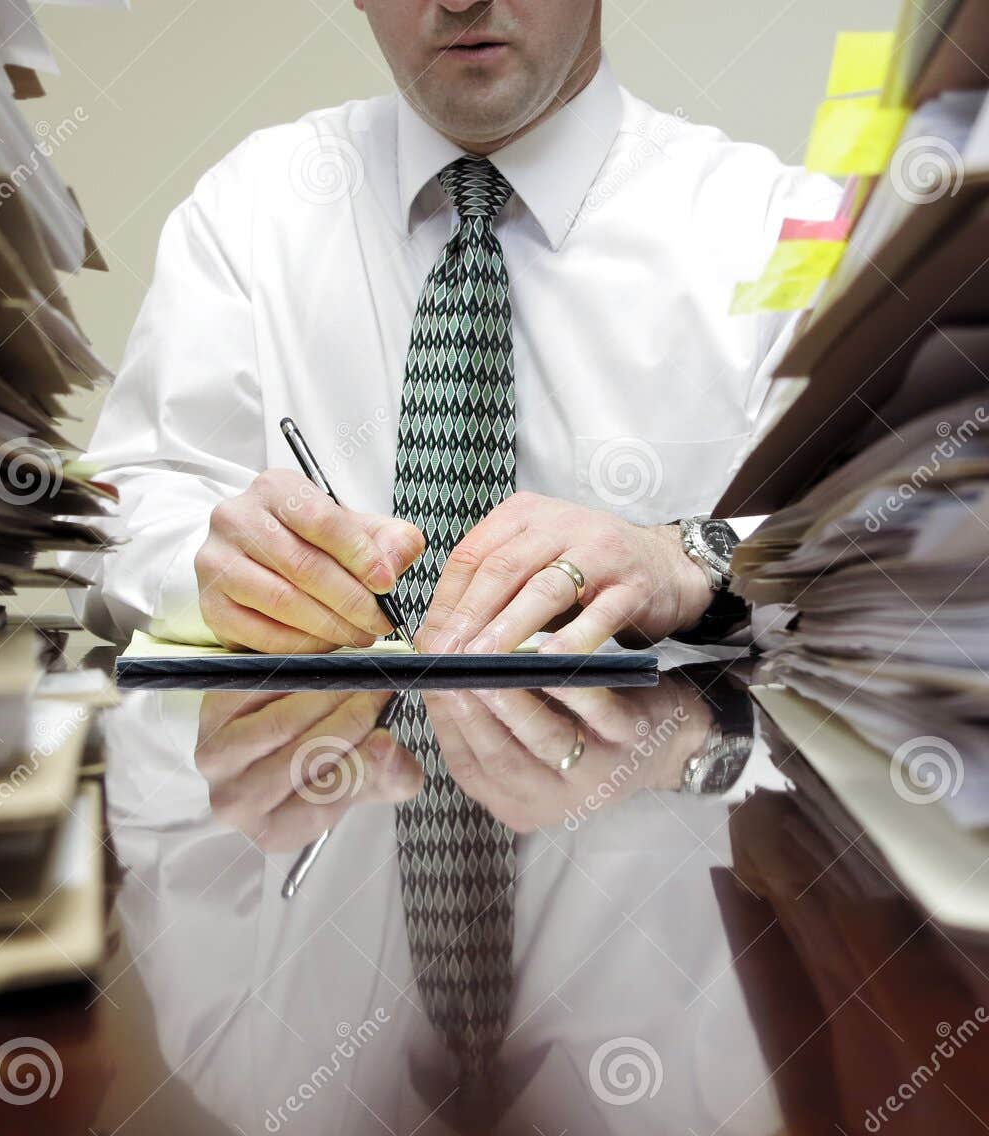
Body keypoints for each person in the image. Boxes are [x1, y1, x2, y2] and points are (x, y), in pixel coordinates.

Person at [75, 0, 836, 654]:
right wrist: (203, 571)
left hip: (656, 801)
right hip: (323, 800)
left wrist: (692, 562)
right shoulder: (248, 212)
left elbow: (915, 542)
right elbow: (121, 517)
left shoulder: (785, 232)